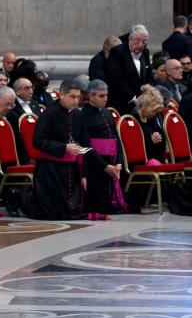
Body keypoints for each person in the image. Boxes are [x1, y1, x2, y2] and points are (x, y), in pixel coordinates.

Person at [21, 79, 93, 220]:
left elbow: (85, 143)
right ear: (61, 95)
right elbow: (38, 141)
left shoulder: (78, 115)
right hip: (51, 170)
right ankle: (19, 198)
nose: (76, 101)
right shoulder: (49, 114)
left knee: (73, 210)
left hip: (72, 169)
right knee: (54, 213)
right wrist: (64, 147)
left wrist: (83, 173)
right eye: (72, 97)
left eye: (78, 97)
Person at [81, 80, 127, 216]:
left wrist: (119, 161)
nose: (105, 99)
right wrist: (104, 166)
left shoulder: (107, 112)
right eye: (101, 96)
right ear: (90, 96)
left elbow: (116, 138)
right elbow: (85, 146)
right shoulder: (83, 115)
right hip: (95, 164)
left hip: (113, 163)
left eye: (106, 95)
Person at [106, 25, 151, 115]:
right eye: (137, 41)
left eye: (144, 42)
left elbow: (148, 75)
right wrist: (133, 98)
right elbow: (117, 78)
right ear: (130, 39)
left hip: (141, 102)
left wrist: (148, 94)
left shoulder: (145, 52)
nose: (140, 45)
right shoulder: (117, 52)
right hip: (122, 101)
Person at [132, 85, 167, 163]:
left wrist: (157, 139)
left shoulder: (152, 117)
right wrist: (151, 141)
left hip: (156, 157)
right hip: (141, 161)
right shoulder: (132, 119)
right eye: (153, 111)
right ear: (145, 106)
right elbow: (133, 146)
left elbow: (162, 142)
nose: (155, 114)